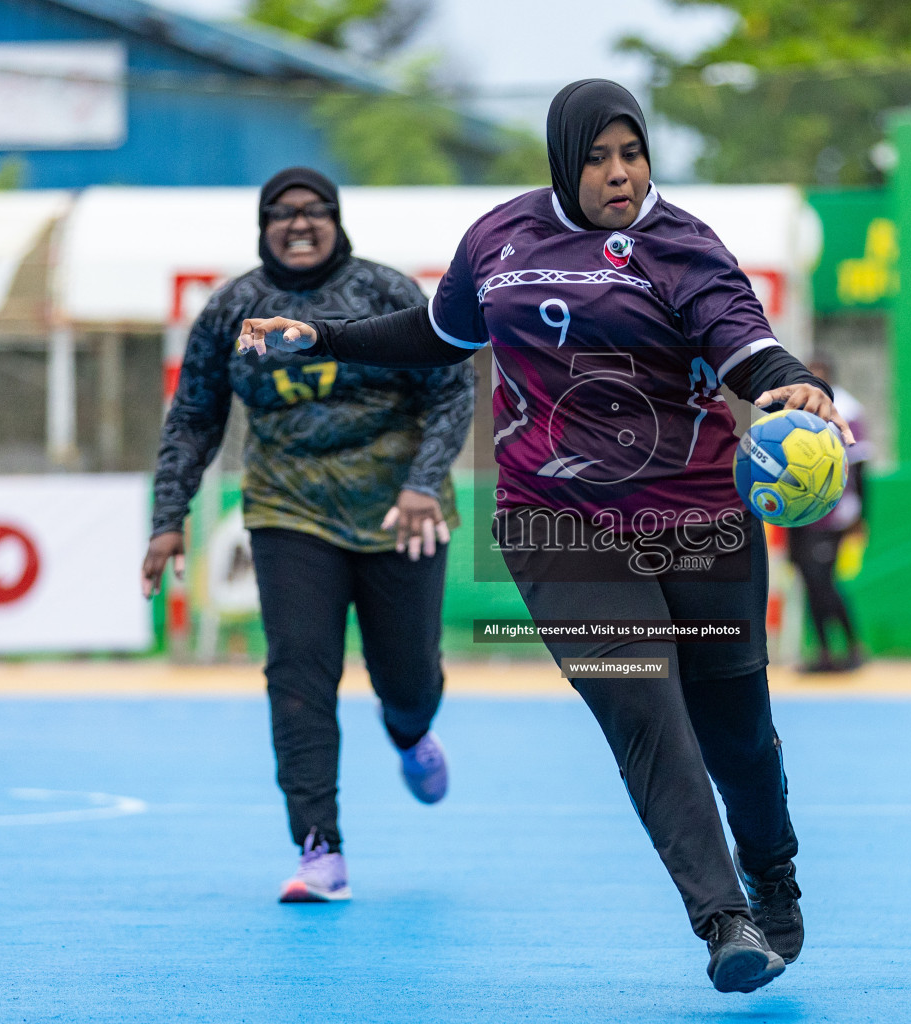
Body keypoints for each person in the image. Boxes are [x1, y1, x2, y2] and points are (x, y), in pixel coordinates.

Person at [237, 82, 857, 994]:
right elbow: (439, 332)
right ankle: (724, 920)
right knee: (640, 703)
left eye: (632, 153)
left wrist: (790, 380)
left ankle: (772, 872)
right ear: (565, 159)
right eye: (599, 156)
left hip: (695, 520)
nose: (619, 172)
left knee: (738, 738)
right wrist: (323, 335)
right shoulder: (498, 239)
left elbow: (741, 341)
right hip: (553, 519)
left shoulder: (681, 246)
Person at [143, 168, 475, 902]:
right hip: (287, 511)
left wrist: (424, 484)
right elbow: (194, 417)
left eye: (313, 211)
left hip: (401, 512)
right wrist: (169, 519)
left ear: (337, 219)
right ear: (262, 227)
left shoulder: (386, 293)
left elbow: (452, 386)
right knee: (297, 674)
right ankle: (320, 849)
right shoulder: (234, 308)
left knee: (407, 678)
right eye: (281, 214)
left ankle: (412, 732)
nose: (298, 223)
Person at [787, 355, 871, 672]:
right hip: (799, 511)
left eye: (817, 373)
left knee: (823, 581)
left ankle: (853, 647)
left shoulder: (847, 409)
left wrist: (860, 515)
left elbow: (861, 464)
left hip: (833, 512)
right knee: (809, 580)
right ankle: (823, 653)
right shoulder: (795, 408)